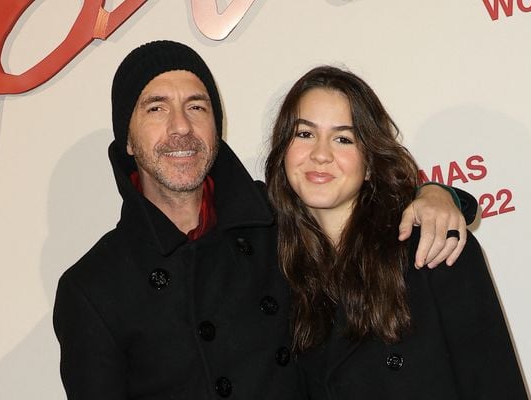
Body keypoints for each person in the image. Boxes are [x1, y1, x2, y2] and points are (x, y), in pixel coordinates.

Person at [53, 41, 476, 399]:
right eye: (156, 108)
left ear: (216, 128)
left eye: (197, 106)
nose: (181, 126)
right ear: (127, 138)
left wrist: (438, 194)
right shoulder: (92, 289)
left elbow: (363, 203)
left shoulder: (276, 214)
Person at [265, 66, 528, 399]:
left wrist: (437, 194)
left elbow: (495, 386)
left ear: (371, 163)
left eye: (343, 138)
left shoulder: (432, 250)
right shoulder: (275, 268)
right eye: (305, 134)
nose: (320, 154)